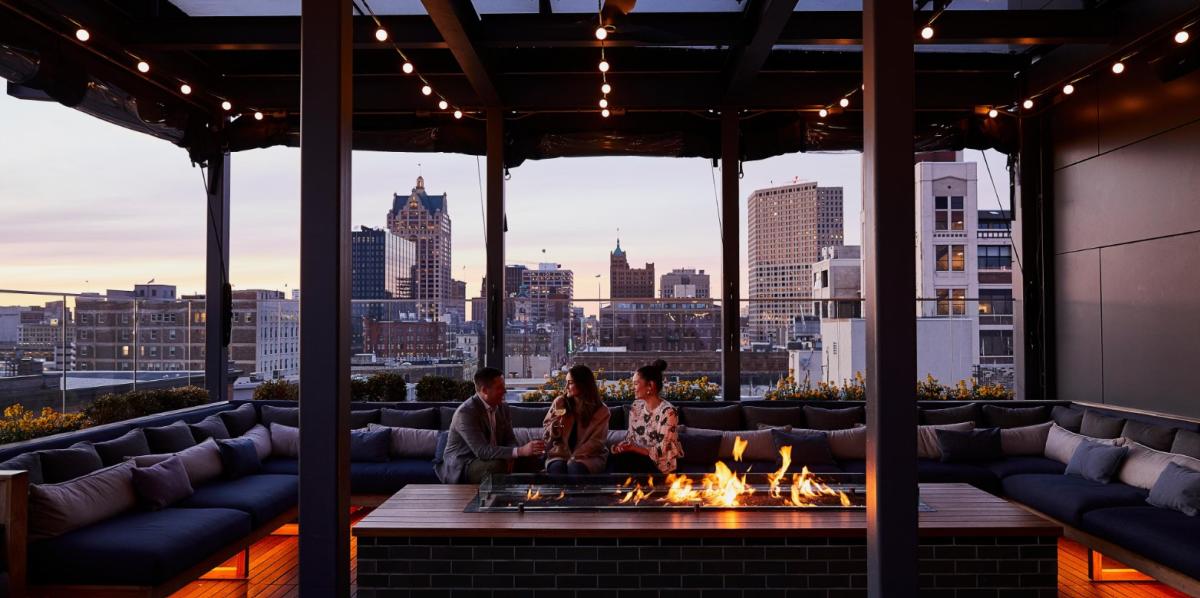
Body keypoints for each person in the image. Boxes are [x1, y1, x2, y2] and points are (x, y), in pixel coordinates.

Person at [436, 367, 545, 484]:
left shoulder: (503, 408)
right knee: (497, 466)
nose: (505, 391)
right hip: (466, 463)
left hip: (494, 457)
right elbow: (482, 451)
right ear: (484, 390)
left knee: (532, 460)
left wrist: (512, 456)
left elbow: (510, 439)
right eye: (500, 388)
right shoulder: (466, 413)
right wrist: (519, 451)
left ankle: (527, 497)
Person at [609, 359, 683, 474]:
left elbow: (661, 451)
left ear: (650, 385)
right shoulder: (636, 407)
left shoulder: (668, 412)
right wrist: (623, 446)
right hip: (635, 459)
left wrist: (634, 449)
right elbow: (631, 438)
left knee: (623, 462)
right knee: (614, 458)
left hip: (659, 465)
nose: (633, 387)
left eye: (636, 383)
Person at [543, 365, 611, 476]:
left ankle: (578, 493)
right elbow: (547, 428)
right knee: (557, 468)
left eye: (570, 383)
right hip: (560, 453)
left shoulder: (601, 411)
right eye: (566, 382)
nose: (566, 387)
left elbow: (596, 442)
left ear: (583, 384)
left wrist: (574, 457)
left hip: (589, 456)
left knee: (575, 468)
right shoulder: (560, 402)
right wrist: (554, 428)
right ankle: (558, 494)